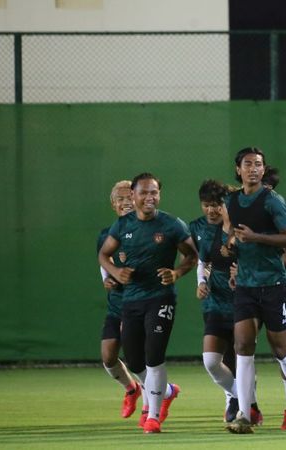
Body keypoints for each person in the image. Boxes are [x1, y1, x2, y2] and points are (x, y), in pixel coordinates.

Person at [98, 173, 197, 434]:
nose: (149, 197)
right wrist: (115, 272)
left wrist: (176, 273)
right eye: (144, 193)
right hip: (131, 300)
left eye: (154, 192)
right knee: (134, 361)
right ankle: (166, 392)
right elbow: (104, 254)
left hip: (161, 298)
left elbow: (192, 256)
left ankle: (152, 416)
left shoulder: (173, 225)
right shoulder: (122, 226)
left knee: (154, 356)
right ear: (134, 195)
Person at [223, 147, 286, 433]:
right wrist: (231, 250)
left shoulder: (272, 200)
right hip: (246, 286)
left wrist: (256, 237)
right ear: (238, 169)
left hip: (274, 286)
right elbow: (232, 236)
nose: (254, 169)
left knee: (281, 349)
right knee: (242, 348)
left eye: (258, 164)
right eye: (248, 164)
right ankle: (245, 416)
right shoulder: (231, 201)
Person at [189, 180, 263, 424]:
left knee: (241, 356)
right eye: (206, 205)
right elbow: (204, 261)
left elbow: (253, 256)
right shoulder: (197, 227)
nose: (211, 210)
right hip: (214, 302)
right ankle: (237, 395)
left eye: (216, 205)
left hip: (244, 298)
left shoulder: (239, 226)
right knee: (211, 361)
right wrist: (201, 282)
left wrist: (240, 272)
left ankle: (243, 406)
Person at [97, 180, 144, 420]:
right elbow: (104, 261)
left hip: (140, 302)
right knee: (108, 355)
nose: (125, 203)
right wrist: (107, 278)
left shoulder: (146, 229)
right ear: (113, 205)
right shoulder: (107, 234)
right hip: (117, 303)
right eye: (120, 200)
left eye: (129, 198)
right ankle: (131, 389)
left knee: (137, 355)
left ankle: (153, 402)